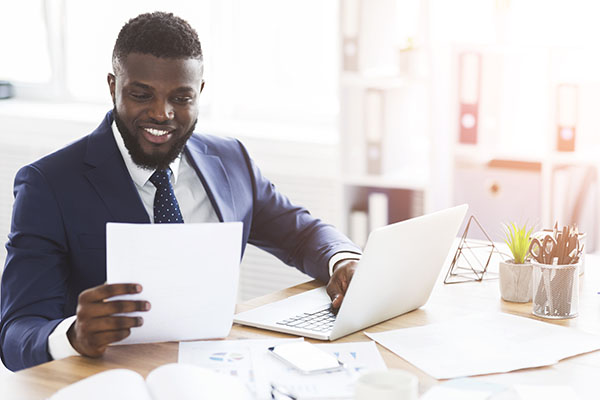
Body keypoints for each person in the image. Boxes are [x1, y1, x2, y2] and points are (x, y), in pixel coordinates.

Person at [0, 12, 361, 371]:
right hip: (108, 380)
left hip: (215, 369)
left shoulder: (230, 160)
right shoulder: (49, 184)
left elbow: (301, 233)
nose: (162, 113)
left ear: (199, 92)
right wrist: (73, 335)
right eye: (142, 95)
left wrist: (342, 260)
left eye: (181, 98)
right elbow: (17, 332)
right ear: (113, 86)